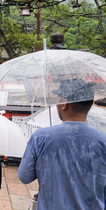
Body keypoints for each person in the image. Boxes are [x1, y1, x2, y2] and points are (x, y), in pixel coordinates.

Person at [18, 78, 106, 209]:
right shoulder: (103, 141)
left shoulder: (41, 137)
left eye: (57, 99)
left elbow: (24, 176)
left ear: (64, 103)